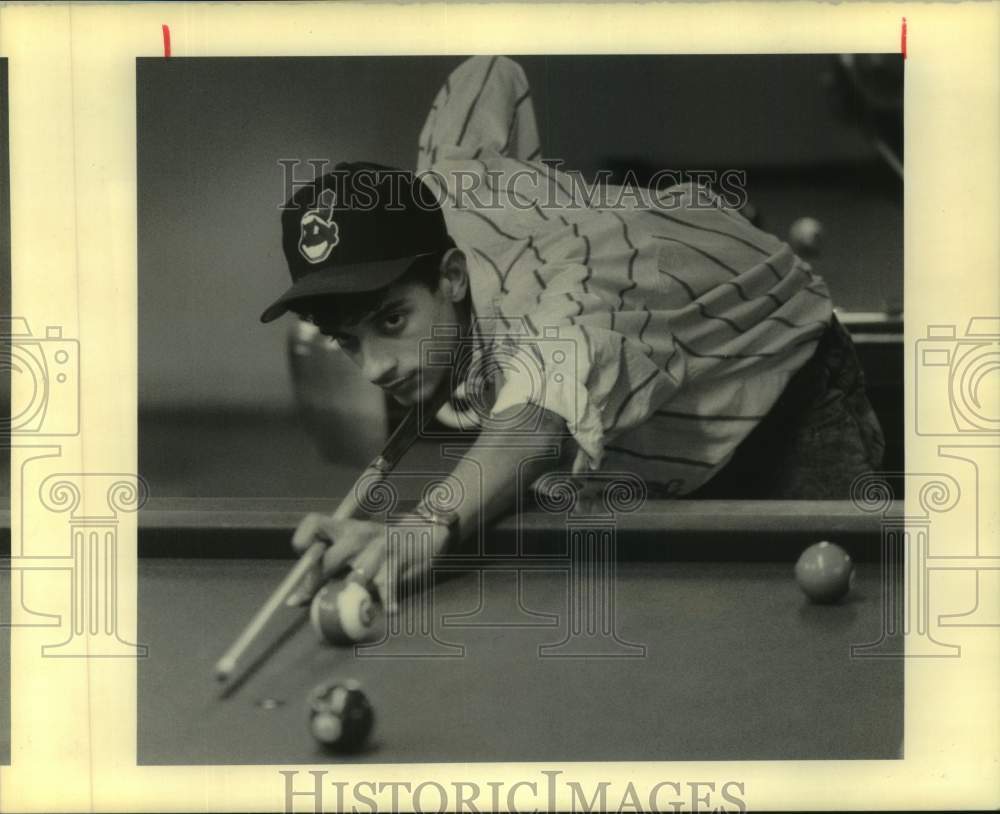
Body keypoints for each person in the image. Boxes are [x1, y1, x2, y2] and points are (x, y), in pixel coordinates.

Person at [260, 56, 884, 609]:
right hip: (649, 416)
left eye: (392, 321)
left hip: (784, 389)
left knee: (845, 612)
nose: (375, 369)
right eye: (348, 339)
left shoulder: (570, 287)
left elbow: (531, 424)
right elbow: (488, 74)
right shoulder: (443, 182)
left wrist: (422, 525)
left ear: (451, 277)